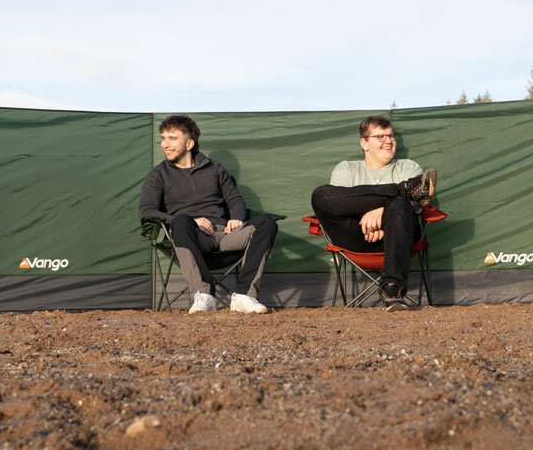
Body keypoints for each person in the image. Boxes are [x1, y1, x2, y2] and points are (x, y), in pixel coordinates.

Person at [139, 115, 278, 314]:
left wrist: (236, 218)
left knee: (266, 223)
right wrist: (193, 223)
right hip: (190, 236)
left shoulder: (215, 168)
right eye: (163, 138)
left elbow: (235, 200)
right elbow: (147, 211)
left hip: (224, 235)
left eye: (172, 138)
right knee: (181, 221)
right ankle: (203, 294)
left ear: (189, 143)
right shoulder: (158, 174)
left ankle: (244, 295)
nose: (165, 144)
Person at [310, 115, 437, 311]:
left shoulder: (408, 167)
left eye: (391, 136)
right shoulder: (347, 169)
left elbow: (414, 204)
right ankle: (400, 190)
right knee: (320, 195)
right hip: (355, 238)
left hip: (397, 236)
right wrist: (383, 205)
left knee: (401, 205)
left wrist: (382, 212)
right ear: (364, 143)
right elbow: (341, 204)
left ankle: (392, 288)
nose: (388, 140)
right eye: (380, 136)